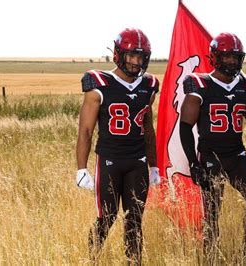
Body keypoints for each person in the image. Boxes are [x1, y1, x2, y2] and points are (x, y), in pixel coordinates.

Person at [179, 32, 246, 263]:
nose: (232, 62)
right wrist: (193, 162)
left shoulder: (245, 84)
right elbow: (185, 127)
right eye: (227, 56)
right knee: (212, 212)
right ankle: (209, 257)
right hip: (210, 155)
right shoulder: (200, 84)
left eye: (236, 57)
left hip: (236, 153)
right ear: (215, 57)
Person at [75, 27, 160, 263]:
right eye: (131, 55)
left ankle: (134, 262)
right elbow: (86, 129)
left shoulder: (149, 86)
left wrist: (154, 165)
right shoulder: (98, 84)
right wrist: (81, 168)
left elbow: (148, 129)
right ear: (119, 54)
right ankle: (92, 259)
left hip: (138, 161)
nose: (135, 62)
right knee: (107, 217)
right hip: (110, 161)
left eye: (140, 56)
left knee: (135, 219)